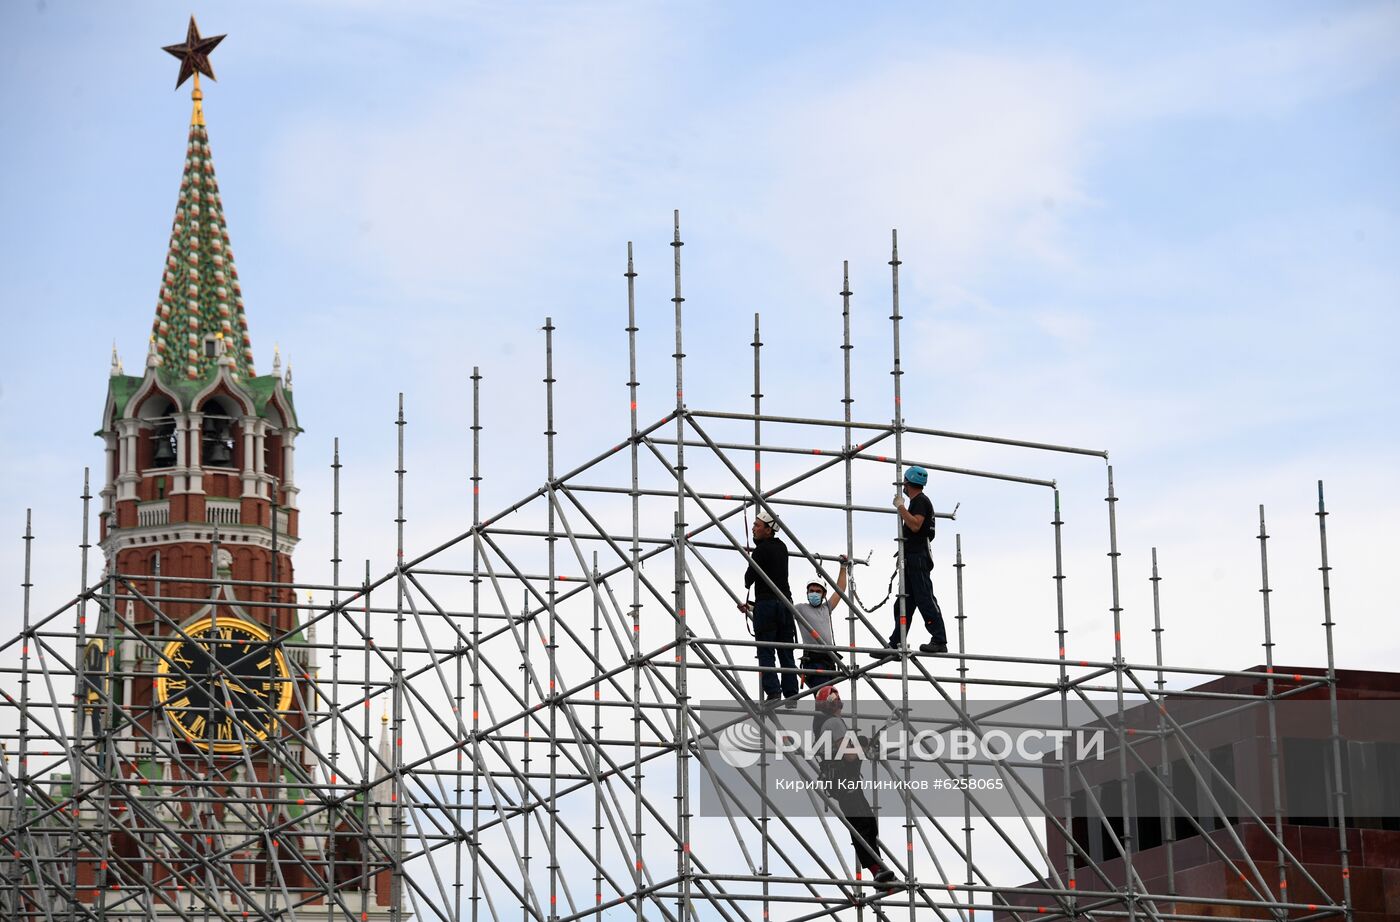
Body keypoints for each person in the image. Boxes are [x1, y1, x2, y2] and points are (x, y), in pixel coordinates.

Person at [813, 686, 897, 892]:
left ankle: (879, 871)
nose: (838, 700)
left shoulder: (822, 723)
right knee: (863, 825)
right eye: (835, 697)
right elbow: (849, 755)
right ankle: (878, 871)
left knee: (864, 823)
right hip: (845, 782)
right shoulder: (834, 722)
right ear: (832, 704)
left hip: (841, 783)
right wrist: (863, 747)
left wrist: (862, 745)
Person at [881, 466, 948, 656]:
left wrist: (900, 507)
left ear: (908, 483)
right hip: (912, 557)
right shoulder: (919, 501)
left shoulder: (919, 501)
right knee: (904, 602)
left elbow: (915, 525)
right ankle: (895, 643)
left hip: (918, 558)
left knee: (924, 598)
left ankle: (939, 639)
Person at [739, 508, 798, 704]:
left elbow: (748, 580)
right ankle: (792, 694)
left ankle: (773, 692)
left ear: (768, 529)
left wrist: (752, 557)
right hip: (785, 603)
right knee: (786, 651)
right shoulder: (782, 548)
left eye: (757, 525)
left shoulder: (761, 550)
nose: (754, 529)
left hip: (767, 606)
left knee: (766, 651)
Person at [794, 557, 849, 689]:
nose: (814, 593)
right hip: (813, 660)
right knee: (825, 696)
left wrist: (843, 567)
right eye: (811, 591)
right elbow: (781, 610)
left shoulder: (826, 608)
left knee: (829, 696)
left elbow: (840, 589)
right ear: (807, 593)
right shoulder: (800, 608)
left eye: (818, 591)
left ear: (824, 594)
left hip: (829, 659)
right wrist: (752, 608)